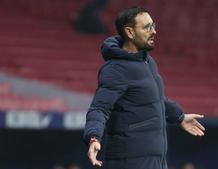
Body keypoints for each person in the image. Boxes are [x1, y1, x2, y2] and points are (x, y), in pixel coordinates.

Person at [83, 6, 205, 169]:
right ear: (130, 32)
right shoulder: (116, 68)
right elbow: (99, 108)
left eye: (154, 25)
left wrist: (179, 117)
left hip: (155, 159)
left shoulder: (148, 62)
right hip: (129, 160)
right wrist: (93, 137)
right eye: (147, 27)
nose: (153, 31)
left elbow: (153, 99)